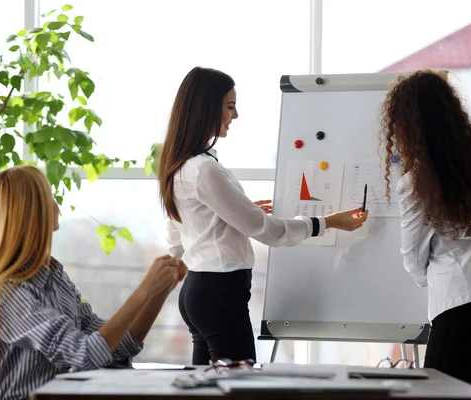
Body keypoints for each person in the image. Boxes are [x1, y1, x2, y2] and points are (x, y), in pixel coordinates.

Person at [158, 66, 369, 365]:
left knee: (204, 388)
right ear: (207, 108)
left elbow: (181, 224)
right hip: (220, 292)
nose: (236, 115)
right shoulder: (205, 170)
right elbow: (267, 231)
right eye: (230, 106)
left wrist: (241, 209)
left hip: (198, 289)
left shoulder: (179, 164)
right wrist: (330, 222)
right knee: (239, 389)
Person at [0, 165, 187, 400]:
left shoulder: (54, 277)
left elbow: (118, 348)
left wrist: (158, 292)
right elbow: (86, 355)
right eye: (49, 198)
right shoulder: (9, 294)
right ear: (30, 213)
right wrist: (144, 290)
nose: (57, 206)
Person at [380, 70, 471, 396]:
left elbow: (413, 261)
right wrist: (457, 137)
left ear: (407, 125)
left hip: (460, 308)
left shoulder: (414, 184)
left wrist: (431, 274)